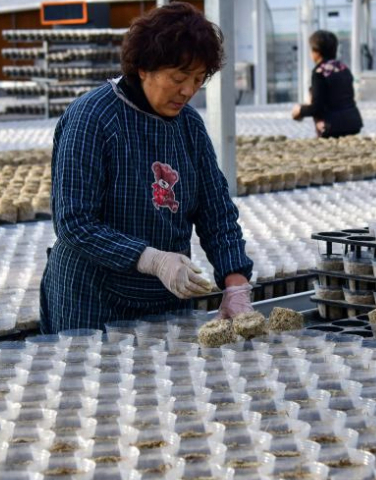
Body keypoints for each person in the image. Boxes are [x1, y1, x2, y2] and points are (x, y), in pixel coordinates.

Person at [40, 2, 254, 333]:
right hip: (92, 296)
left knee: (167, 382)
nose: (188, 91)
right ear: (143, 68)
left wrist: (235, 280)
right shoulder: (93, 118)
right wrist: (151, 259)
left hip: (165, 293)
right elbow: (74, 220)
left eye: (198, 79)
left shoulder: (189, 126)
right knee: (96, 382)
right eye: (179, 77)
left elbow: (216, 210)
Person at [292, 30, 363, 138]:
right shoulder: (343, 68)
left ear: (316, 52)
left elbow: (317, 107)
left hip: (332, 127)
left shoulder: (319, 72)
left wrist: (299, 110)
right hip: (354, 123)